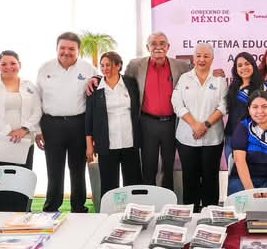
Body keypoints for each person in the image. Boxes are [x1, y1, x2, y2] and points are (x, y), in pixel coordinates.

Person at [36, 32, 97, 213]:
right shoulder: (45, 68)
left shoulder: (88, 68)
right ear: (57, 48)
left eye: (71, 48)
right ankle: (51, 207)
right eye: (62, 48)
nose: (66, 52)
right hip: (51, 125)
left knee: (77, 169)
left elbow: (97, 93)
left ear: (78, 50)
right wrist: (37, 130)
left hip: (78, 124)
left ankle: (78, 207)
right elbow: (36, 100)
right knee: (54, 170)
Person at [123, 32, 191, 191]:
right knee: (148, 165)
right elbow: (120, 82)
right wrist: (96, 79)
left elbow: (198, 77)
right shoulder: (135, 65)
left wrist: (215, 74)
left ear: (168, 47)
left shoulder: (181, 66)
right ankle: (148, 200)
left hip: (171, 123)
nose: (158, 47)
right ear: (148, 47)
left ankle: (168, 199)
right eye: (154, 43)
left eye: (162, 43)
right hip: (147, 123)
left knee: (168, 166)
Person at [0, 50, 42, 211]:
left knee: (21, 181)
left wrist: (24, 129)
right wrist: (8, 131)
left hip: (23, 141)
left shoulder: (29, 86)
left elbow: (37, 111)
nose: (9, 67)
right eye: (4, 64)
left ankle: (22, 213)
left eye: (13, 63)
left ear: (19, 65)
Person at [172, 43, 228, 211]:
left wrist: (206, 125)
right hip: (186, 138)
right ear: (193, 58)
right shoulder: (184, 78)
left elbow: (224, 105)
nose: (202, 59)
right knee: (190, 179)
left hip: (213, 139)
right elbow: (177, 103)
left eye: (206, 56)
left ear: (212, 59)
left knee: (211, 179)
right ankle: (191, 215)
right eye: (198, 56)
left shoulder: (219, 80)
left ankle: (211, 215)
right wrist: (195, 125)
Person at [85, 51, 143, 198]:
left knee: (133, 183)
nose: (105, 69)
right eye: (102, 65)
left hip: (130, 142)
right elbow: (89, 118)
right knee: (109, 185)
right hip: (106, 144)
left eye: (108, 65)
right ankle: (110, 210)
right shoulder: (95, 88)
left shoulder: (130, 83)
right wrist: (89, 145)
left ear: (118, 66)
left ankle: (135, 208)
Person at [224, 52, 263, 160]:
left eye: (247, 64)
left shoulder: (261, 88)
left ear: (253, 65)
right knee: (231, 169)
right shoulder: (233, 87)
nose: (243, 68)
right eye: (239, 65)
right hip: (230, 135)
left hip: (250, 137)